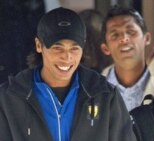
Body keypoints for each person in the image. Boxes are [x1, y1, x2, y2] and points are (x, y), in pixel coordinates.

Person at [0, 7, 136, 141]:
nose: (67, 57)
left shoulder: (105, 96)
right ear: (39, 45)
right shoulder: (8, 99)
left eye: (74, 48)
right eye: (57, 48)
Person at [100, 6, 154, 111]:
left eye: (131, 31)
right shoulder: (94, 89)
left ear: (147, 38)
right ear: (105, 48)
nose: (124, 38)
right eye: (115, 34)